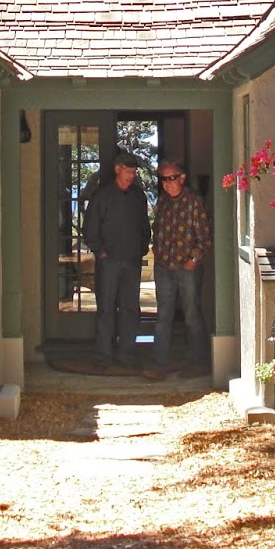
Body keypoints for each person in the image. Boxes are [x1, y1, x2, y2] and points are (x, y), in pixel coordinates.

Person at [146, 159, 211, 380]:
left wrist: (193, 259)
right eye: (163, 179)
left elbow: (204, 238)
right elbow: (156, 228)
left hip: (187, 268)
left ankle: (199, 362)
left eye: (171, 178)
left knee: (191, 315)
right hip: (164, 267)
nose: (167, 183)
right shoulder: (163, 202)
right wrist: (156, 248)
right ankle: (159, 365)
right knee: (163, 317)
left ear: (181, 178)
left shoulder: (194, 202)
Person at [83, 152, 149, 369]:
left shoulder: (138, 197)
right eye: (128, 171)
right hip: (108, 261)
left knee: (130, 308)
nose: (131, 175)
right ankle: (103, 355)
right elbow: (90, 227)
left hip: (131, 261)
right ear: (117, 169)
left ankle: (127, 354)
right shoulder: (102, 196)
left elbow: (144, 227)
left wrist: (139, 250)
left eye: (134, 172)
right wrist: (101, 252)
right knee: (106, 308)